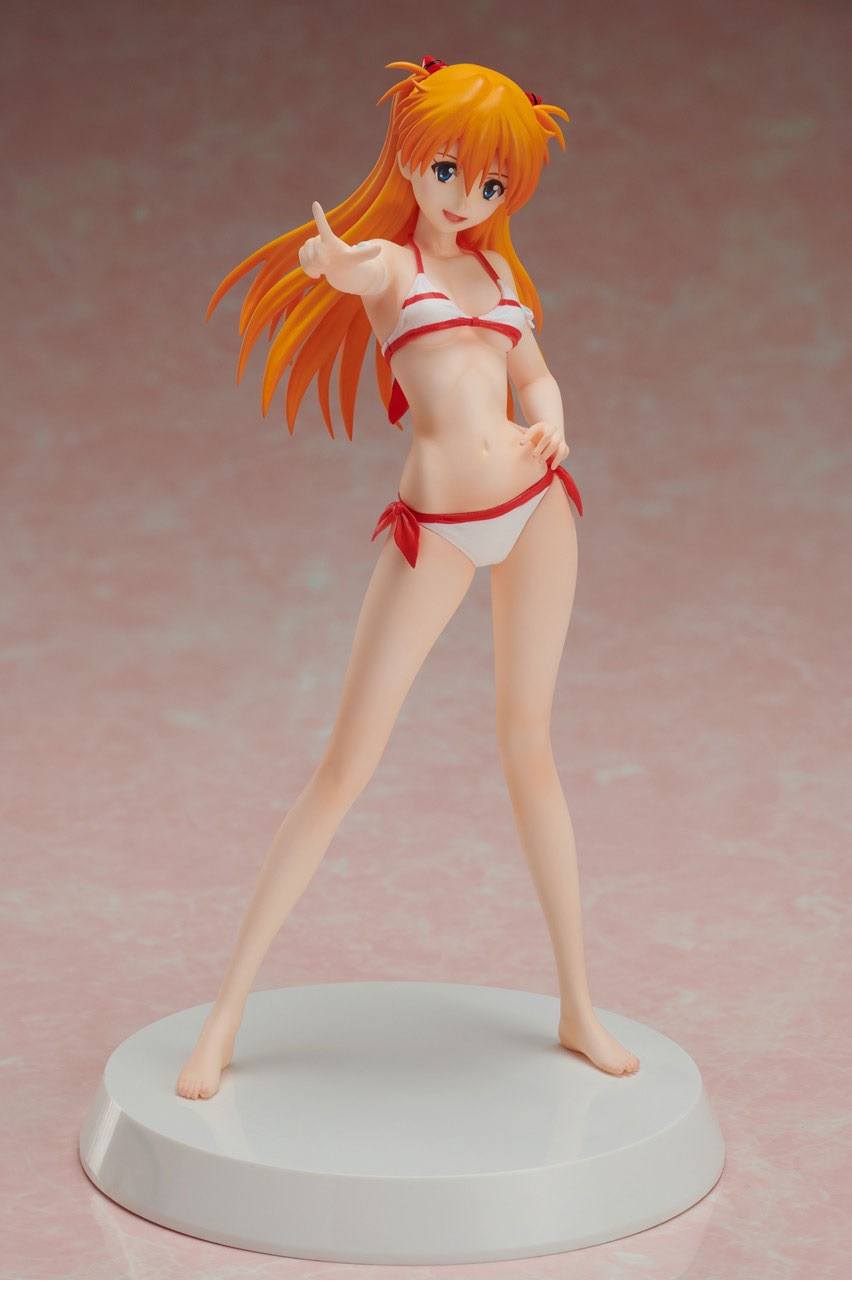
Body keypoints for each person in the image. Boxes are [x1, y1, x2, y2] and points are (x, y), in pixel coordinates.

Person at [176, 56, 639, 1099]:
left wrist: (553, 419)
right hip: (435, 530)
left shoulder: (501, 275)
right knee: (346, 764)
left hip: (538, 510)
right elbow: (354, 273)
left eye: (492, 183)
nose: (467, 197)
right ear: (410, 160)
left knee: (531, 747)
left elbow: (535, 374)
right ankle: (226, 1013)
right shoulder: (392, 265)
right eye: (448, 171)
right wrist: (329, 260)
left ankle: (577, 1002)